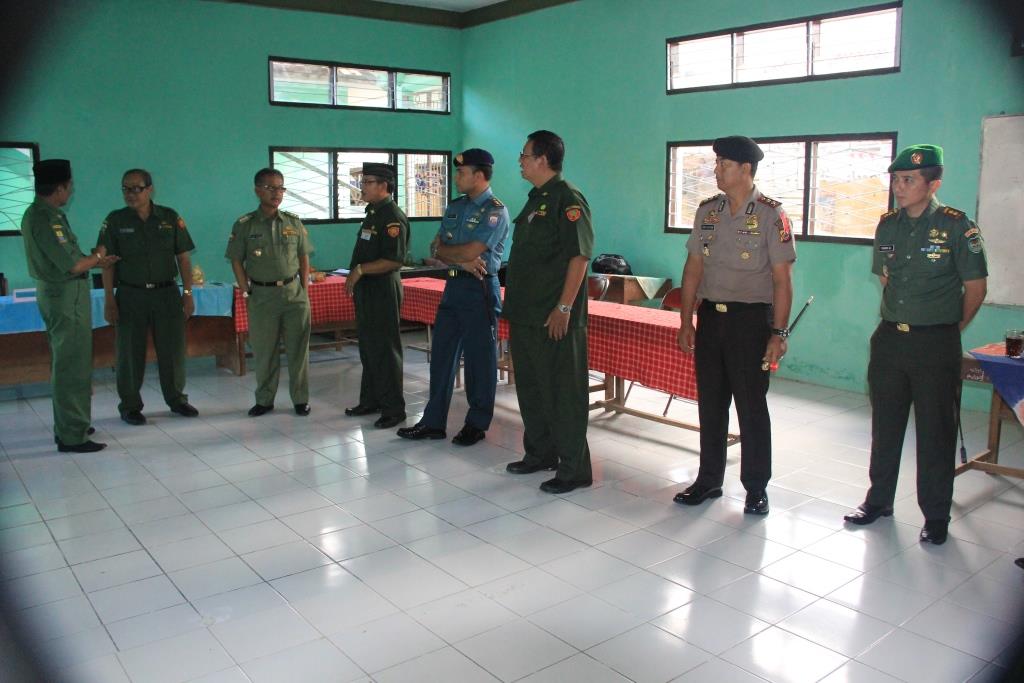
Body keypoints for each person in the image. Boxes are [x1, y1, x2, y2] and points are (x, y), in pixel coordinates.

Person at [844, 144, 987, 545]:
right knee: (885, 426)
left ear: (933, 184)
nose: (899, 187)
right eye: (895, 179)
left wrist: (946, 328)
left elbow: (976, 288)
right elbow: (887, 278)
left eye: (908, 180)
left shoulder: (958, 226)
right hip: (890, 339)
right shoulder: (887, 225)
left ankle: (936, 515)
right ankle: (878, 501)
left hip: (935, 344)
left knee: (935, 432)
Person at [673, 135, 796, 515]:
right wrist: (686, 319)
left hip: (751, 322)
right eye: (716, 163)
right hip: (711, 318)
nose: (716, 170)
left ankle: (756, 487)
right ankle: (708, 479)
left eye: (723, 164)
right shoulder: (707, 211)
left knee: (750, 406)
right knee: (711, 404)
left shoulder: (772, 215)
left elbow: (782, 281)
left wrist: (778, 333)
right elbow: (693, 268)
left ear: (746, 169)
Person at [397, 148, 510, 445]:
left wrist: (452, 254)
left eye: (461, 172)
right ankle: (433, 422)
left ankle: (476, 423)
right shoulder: (456, 207)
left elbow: (471, 251)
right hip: (454, 286)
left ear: (479, 175)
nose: (456, 177)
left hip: (480, 288)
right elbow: (435, 248)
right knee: (442, 356)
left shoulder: (495, 211)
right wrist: (458, 258)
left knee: (479, 360)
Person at [502, 130, 594, 494]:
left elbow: (579, 256)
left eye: (524, 155)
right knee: (532, 389)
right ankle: (541, 453)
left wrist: (564, 307)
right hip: (526, 314)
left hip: (553, 316)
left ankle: (574, 469)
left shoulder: (567, 199)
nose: (520, 161)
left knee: (562, 393)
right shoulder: (536, 199)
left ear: (542, 159)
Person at [21, 159, 118, 452]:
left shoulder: (43, 214)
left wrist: (96, 261)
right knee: (72, 366)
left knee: (67, 362)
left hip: (62, 294)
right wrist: (98, 256)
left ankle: (68, 425)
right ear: (59, 188)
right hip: (65, 297)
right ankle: (73, 435)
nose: (71, 191)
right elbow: (73, 265)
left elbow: (69, 260)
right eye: (69, 186)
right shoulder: (46, 218)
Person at [97, 169, 199, 425]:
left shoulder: (169, 217)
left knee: (173, 350)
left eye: (137, 188)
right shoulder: (115, 220)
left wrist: (187, 293)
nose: (131, 194)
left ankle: (177, 399)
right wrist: (109, 298)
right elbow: (107, 264)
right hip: (131, 294)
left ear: (150, 189)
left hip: (166, 294)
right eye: (126, 188)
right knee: (129, 353)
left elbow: (183, 259)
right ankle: (130, 406)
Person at [226, 168, 313, 417]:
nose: (277, 193)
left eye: (280, 188)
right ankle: (264, 400)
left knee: (299, 351)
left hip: (293, 295)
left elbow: (303, 257)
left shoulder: (293, 222)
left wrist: (304, 291)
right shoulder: (245, 224)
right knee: (265, 352)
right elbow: (236, 260)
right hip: (262, 297)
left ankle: (300, 399)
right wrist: (246, 290)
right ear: (257, 190)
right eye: (270, 188)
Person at [344, 163, 409, 429]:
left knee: (385, 349)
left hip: (382, 289)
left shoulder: (391, 216)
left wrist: (360, 270)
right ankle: (371, 400)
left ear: (384, 185)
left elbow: (394, 260)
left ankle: (394, 409)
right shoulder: (373, 213)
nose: (362, 186)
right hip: (368, 290)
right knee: (369, 347)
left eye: (367, 182)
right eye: (363, 181)